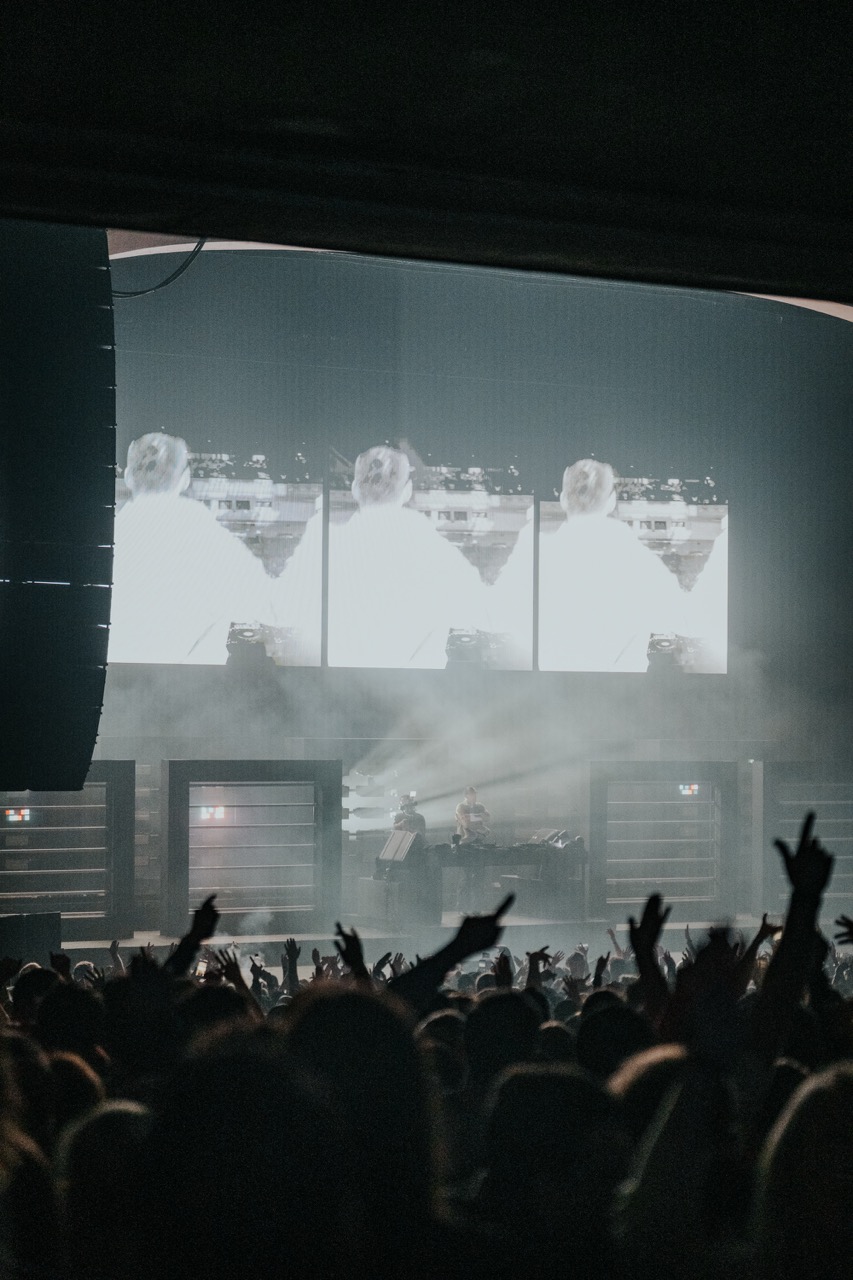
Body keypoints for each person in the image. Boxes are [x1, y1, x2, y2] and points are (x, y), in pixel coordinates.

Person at [279, 445, 489, 669]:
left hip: (338, 691)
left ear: (354, 489)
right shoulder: (433, 547)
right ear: (407, 491)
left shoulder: (322, 540)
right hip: (416, 694)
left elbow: (282, 610)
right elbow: (482, 611)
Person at [108, 433, 273, 665]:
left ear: (127, 477)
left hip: (115, 691)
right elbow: (267, 603)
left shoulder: (107, 536)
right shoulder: (205, 534)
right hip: (191, 692)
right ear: (185, 479)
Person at [537, 458, 686, 672]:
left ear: (563, 500)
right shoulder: (639, 560)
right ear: (611, 501)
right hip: (621, 697)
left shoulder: (539, 554)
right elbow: (676, 617)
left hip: (551, 695)